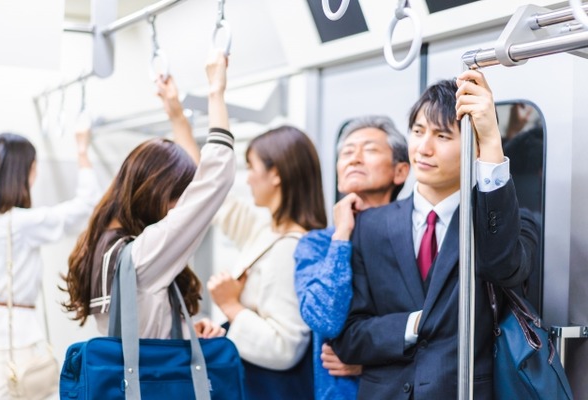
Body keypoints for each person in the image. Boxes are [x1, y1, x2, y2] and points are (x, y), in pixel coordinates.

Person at [332, 69, 539, 399]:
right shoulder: (369, 226)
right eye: (417, 131)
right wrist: (413, 325)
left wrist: (491, 142)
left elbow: (502, 266)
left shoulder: (505, 222)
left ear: (471, 147)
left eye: (442, 136)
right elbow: (347, 338)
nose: (423, 148)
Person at [63, 50, 235, 339]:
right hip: (150, 383)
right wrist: (216, 91)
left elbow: (144, 322)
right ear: (157, 194)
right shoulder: (143, 254)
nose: (182, 207)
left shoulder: (108, 242)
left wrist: (177, 116)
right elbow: (214, 177)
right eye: (178, 198)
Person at [293, 115, 410, 400]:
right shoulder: (318, 243)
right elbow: (323, 320)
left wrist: (370, 361)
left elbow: (436, 329)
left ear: (400, 172)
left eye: (369, 149)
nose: (354, 158)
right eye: (347, 152)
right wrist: (342, 235)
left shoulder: (415, 237)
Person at [207, 125, 327, 400]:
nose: (247, 179)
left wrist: (231, 306)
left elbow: (285, 346)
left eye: (251, 167)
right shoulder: (269, 232)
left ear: (276, 175)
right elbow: (213, 192)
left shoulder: (291, 248)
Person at [0, 128, 100, 397]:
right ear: (24, 172)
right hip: (12, 339)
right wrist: (82, 151)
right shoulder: (20, 222)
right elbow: (87, 206)